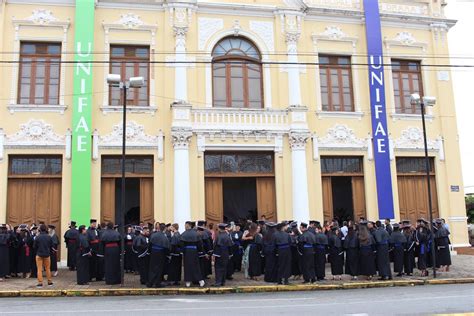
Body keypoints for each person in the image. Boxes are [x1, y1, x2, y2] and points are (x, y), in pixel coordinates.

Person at [180, 221, 205, 288]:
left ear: (188, 225)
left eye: (185, 225)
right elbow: (200, 244)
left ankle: (188, 282)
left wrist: (182, 251)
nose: (185, 226)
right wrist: (200, 251)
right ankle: (200, 281)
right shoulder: (196, 234)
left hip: (187, 252)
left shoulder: (183, 234)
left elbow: (182, 245)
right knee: (196, 266)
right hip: (194, 251)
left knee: (187, 267)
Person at [147, 224, 170, 288]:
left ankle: (150, 283)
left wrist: (149, 252)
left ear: (159, 228)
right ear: (164, 229)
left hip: (153, 253)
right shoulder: (164, 237)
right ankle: (157, 283)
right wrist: (167, 255)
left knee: (152, 268)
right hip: (161, 254)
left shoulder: (153, 235)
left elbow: (150, 244)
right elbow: (167, 248)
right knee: (159, 269)